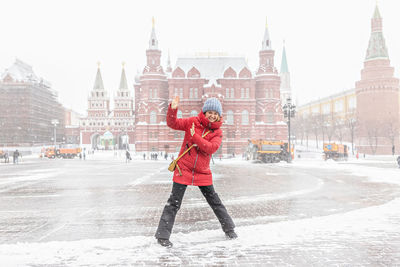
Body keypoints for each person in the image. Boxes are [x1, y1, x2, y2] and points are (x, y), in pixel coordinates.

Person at [155, 96, 237, 248]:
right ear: (204, 112)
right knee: (173, 203)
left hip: (202, 172)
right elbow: (172, 123)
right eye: (209, 112)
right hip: (184, 168)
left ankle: (229, 229)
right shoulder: (192, 122)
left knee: (215, 202)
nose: (212, 115)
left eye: (215, 113)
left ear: (219, 115)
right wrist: (172, 109)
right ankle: (162, 236)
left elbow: (210, 148)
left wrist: (195, 137)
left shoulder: (217, 132)